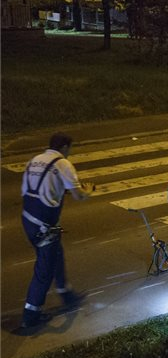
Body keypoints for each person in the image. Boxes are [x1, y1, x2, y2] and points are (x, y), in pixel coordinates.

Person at [20, 132, 95, 328]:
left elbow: (29, 190)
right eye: (69, 149)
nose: (69, 153)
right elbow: (78, 195)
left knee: (56, 253)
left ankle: (65, 292)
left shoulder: (35, 161)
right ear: (64, 147)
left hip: (28, 220)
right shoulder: (63, 164)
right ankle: (31, 314)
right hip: (43, 224)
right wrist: (88, 191)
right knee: (44, 269)